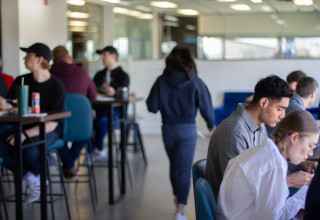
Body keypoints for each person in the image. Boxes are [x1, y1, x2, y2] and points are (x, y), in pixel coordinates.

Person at [146, 45, 215, 220]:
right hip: (187, 129)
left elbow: (151, 106)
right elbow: (206, 105)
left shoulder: (161, 81)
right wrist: (210, 124)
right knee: (184, 169)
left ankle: (178, 197)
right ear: (189, 60)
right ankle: (180, 210)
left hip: (168, 129)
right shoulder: (195, 80)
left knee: (174, 165)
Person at [206, 75, 302, 199]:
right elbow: (239, 186)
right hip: (235, 208)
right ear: (263, 103)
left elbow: (263, 166)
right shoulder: (234, 132)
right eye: (279, 109)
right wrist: (287, 181)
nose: (283, 116)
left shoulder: (259, 125)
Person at [216, 110, 318, 220]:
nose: (311, 153)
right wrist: (306, 189)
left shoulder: (263, 152)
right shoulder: (274, 163)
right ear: (294, 137)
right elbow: (276, 218)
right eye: (310, 146)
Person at [0, 42, 66, 203]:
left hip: (47, 130)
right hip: (21, 127)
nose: (24, 58)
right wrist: (5, 105)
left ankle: (39, 178)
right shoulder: (21, 81)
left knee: (29, 150)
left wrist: (23, 135)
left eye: (28, 55)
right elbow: (13, 108)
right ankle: (34, 178)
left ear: (39, 59)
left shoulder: (57, 87)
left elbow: (53, 124)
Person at [51, 45, 97, 179]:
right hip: (80, 122)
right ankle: (69, 164)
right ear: (69, 58)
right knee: (85, 134)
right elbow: (93, 95)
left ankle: (69, 164)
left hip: (56, 119)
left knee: (56, 136)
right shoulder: (82, 72)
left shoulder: (49, 75)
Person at [92, 46, 129, 161]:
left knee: (102, 122)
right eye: (101, 55)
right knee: (85, 122)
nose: (102, 58)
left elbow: (124, 95)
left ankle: (97, 149)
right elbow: (92, 91)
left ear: (113, 56)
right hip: (98, 110)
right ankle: (93, 150)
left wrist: (115, 93)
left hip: (115, 113)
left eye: (104, 55)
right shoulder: (99, 75)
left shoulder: (123, 76)